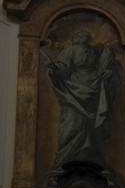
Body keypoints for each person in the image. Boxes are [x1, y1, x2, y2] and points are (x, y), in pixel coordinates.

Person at [47, 29, 120, 172]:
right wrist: (54, 67)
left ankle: (89, 153)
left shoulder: (94, 52)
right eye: (79, 35)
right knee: (71, 122)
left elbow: (105, 65)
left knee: (90, 124)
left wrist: (108, 73)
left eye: (83, 35)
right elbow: (62, 69)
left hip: (93, 89)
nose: (80, 36)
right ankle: (64, 158)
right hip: (73, 91)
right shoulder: (71, 51)